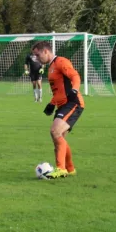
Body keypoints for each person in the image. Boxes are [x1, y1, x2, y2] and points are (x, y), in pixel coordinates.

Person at [32, 41, 84, 179]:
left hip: (73, 102)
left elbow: (75, 76)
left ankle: (61, 169)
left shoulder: (61, 62)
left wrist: (74, 89)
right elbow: (59, 90)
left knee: (55, 131)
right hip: (62, 105)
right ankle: (70, 168)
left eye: (37, 55)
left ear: (45, 51)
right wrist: (51, 103)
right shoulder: (51, 67)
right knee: (58, 139)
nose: (36, 58)